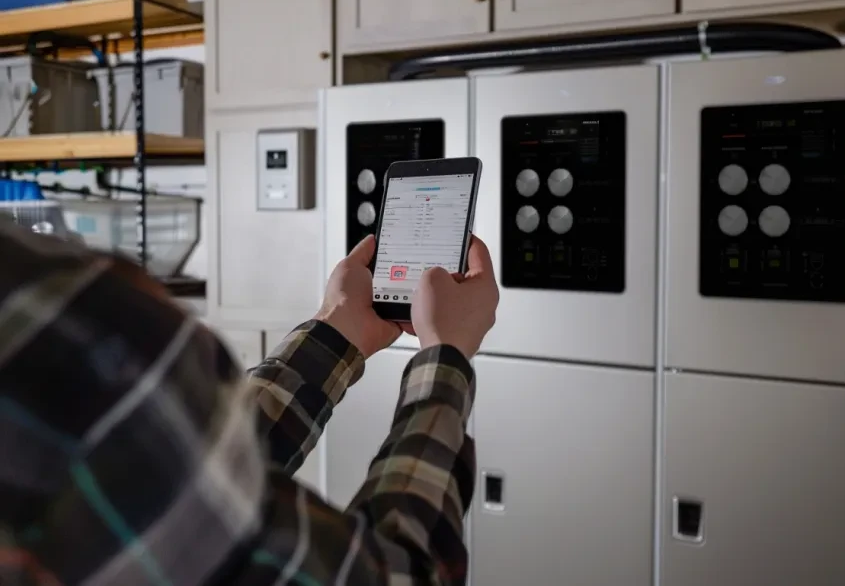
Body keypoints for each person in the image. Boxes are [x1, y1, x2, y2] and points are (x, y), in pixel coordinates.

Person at [0, 221, 499, 586]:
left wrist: (337, 328)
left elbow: (181, 476)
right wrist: (444, 354)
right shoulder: (66, 315)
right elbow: (395, 575)